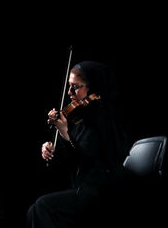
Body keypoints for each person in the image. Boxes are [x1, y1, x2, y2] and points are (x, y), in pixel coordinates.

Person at [27, 60, 129, 228]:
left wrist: (65, 133)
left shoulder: (103, 116)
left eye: (75, 87)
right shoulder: (77, 117)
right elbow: (66, 162)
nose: (69, 92)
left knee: (43, 208)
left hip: (103, 191)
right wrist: (50, 151)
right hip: (82, 189)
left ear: (92, 87)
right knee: (34, 209)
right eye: (69, 86)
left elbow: (89, 157)